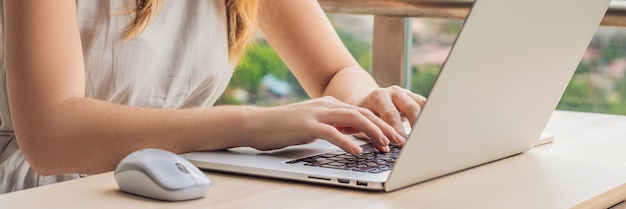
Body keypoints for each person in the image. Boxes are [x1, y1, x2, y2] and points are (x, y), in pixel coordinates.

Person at [0, 0, 426, 193]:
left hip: (178, 183)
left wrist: (367, 100)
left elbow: (335, 71)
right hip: (50, 192)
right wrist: (255, 123)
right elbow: (52, 136)